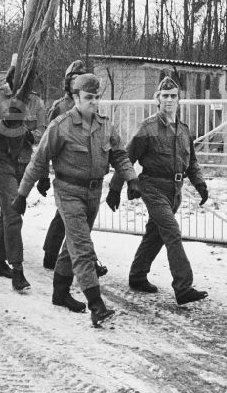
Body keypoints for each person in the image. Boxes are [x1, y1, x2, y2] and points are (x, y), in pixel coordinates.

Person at [12, 73, 138, 327]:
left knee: (73, 242)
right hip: (68, 191)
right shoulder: (61, 125)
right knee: (81, 246)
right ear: (75, 97)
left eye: (96, 98)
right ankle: (96, 304)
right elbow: (38, 162)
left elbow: (120, 156)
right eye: (88, 98)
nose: (93, 102)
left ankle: (59, 293)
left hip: (93, 193)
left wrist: (131, 179)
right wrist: (21, 195)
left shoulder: (105, 125)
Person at [108, 76, 209, 305]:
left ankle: (137, 275)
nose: (169, 100)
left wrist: (200, 184)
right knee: (172, 231)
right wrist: (115, 188)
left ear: (179, 100)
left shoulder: (183, 130)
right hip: (153, 188)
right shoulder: (148, 127)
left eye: (174, 96)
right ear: (157, 99)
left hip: (175, 191)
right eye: (165, 96)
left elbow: (191, 162)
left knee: (155, 235)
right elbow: (127, 157)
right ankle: (183, 287)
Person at [38, 59, 107, 278]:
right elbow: (46, 143)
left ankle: (57, 254)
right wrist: (43, 176)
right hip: (65, 170)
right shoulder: (59, 107)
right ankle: (61, 255)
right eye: (73, 79)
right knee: (68, 217)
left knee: (67, 217)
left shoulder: (90, 104)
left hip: (83, 169)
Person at [0, 68, 46, 292]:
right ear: (11, 77)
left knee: (8, 215)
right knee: (13, 213)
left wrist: (26, 133)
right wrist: (5, 125)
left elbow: (41, 130)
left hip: (23, 163)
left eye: (30, 77)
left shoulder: (36, 102)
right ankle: (17, 269)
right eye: (21, 76)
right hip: (0, 162)